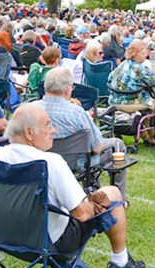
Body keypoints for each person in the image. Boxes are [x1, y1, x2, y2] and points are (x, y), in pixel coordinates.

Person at [0, 102, 144, 268]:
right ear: (29, 133)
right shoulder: (51, 162)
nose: (53, 130)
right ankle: (121, 261)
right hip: (50, 243)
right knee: (113, 193)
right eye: (47, 125)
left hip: (4, 237)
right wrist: (94, 202)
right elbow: (82, 214)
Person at [42, 67, 128, 198]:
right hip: (75, 163)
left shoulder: (29, 110)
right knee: (116, 144)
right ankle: (119, 198)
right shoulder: (76, 112)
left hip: (41, 161)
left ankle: (95, 189)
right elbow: (98, 147)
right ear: (67, 89)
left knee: (89, 149)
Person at [107, 40, 155, 108]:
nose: (145, 55)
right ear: (135, 54)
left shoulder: (121, 65)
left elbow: (109, 78)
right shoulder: (141, 69)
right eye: (142, 53)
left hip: (114, 101)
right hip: (133, 103)